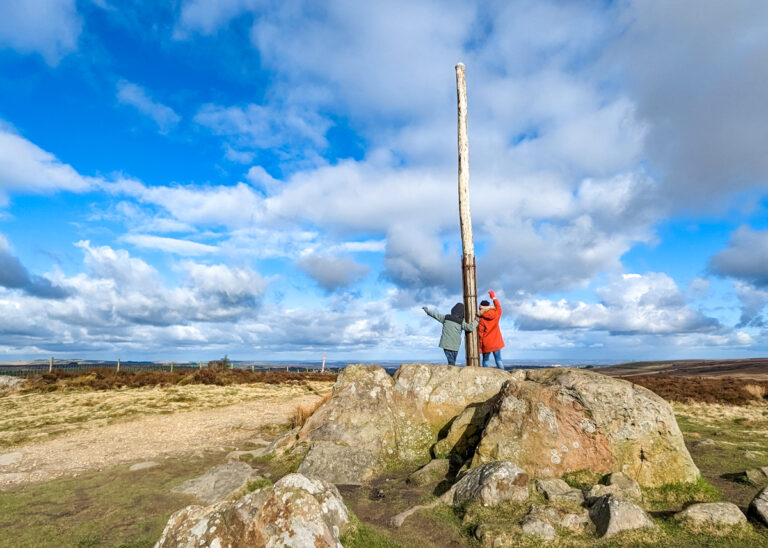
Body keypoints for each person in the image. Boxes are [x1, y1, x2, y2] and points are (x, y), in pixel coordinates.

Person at [478, 290, 504, 369]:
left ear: (480, 308)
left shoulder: (481, 319)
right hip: (497, 342)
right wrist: (493, 297)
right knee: (499, 360)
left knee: (485, 361)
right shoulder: (496, 314)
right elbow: (498, 307)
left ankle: (485, 375)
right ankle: (505, 375)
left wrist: (480, 348)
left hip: (487, 343)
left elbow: (480, 334)